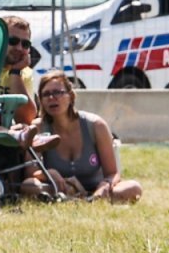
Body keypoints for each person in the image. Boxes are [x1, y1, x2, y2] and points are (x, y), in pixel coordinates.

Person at [26, 73, 141, 203]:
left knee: (133, 187)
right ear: (40, 100)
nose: (52, 97)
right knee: (29, 185)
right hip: (60, 188)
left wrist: (105, 186)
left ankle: (92, 200)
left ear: (71, 96)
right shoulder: (37, 128)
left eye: (58, 92)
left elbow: (112, 173)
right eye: (46, 94)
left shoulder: (96, 125)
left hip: (96, 189)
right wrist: (49, 173)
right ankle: (70, 197)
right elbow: (31, 172)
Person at [0, 19, 43, 122]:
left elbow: (26, 118)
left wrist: (15, 72)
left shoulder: (24, 72)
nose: (19, 48)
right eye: (13, 41)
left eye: (25, 44)